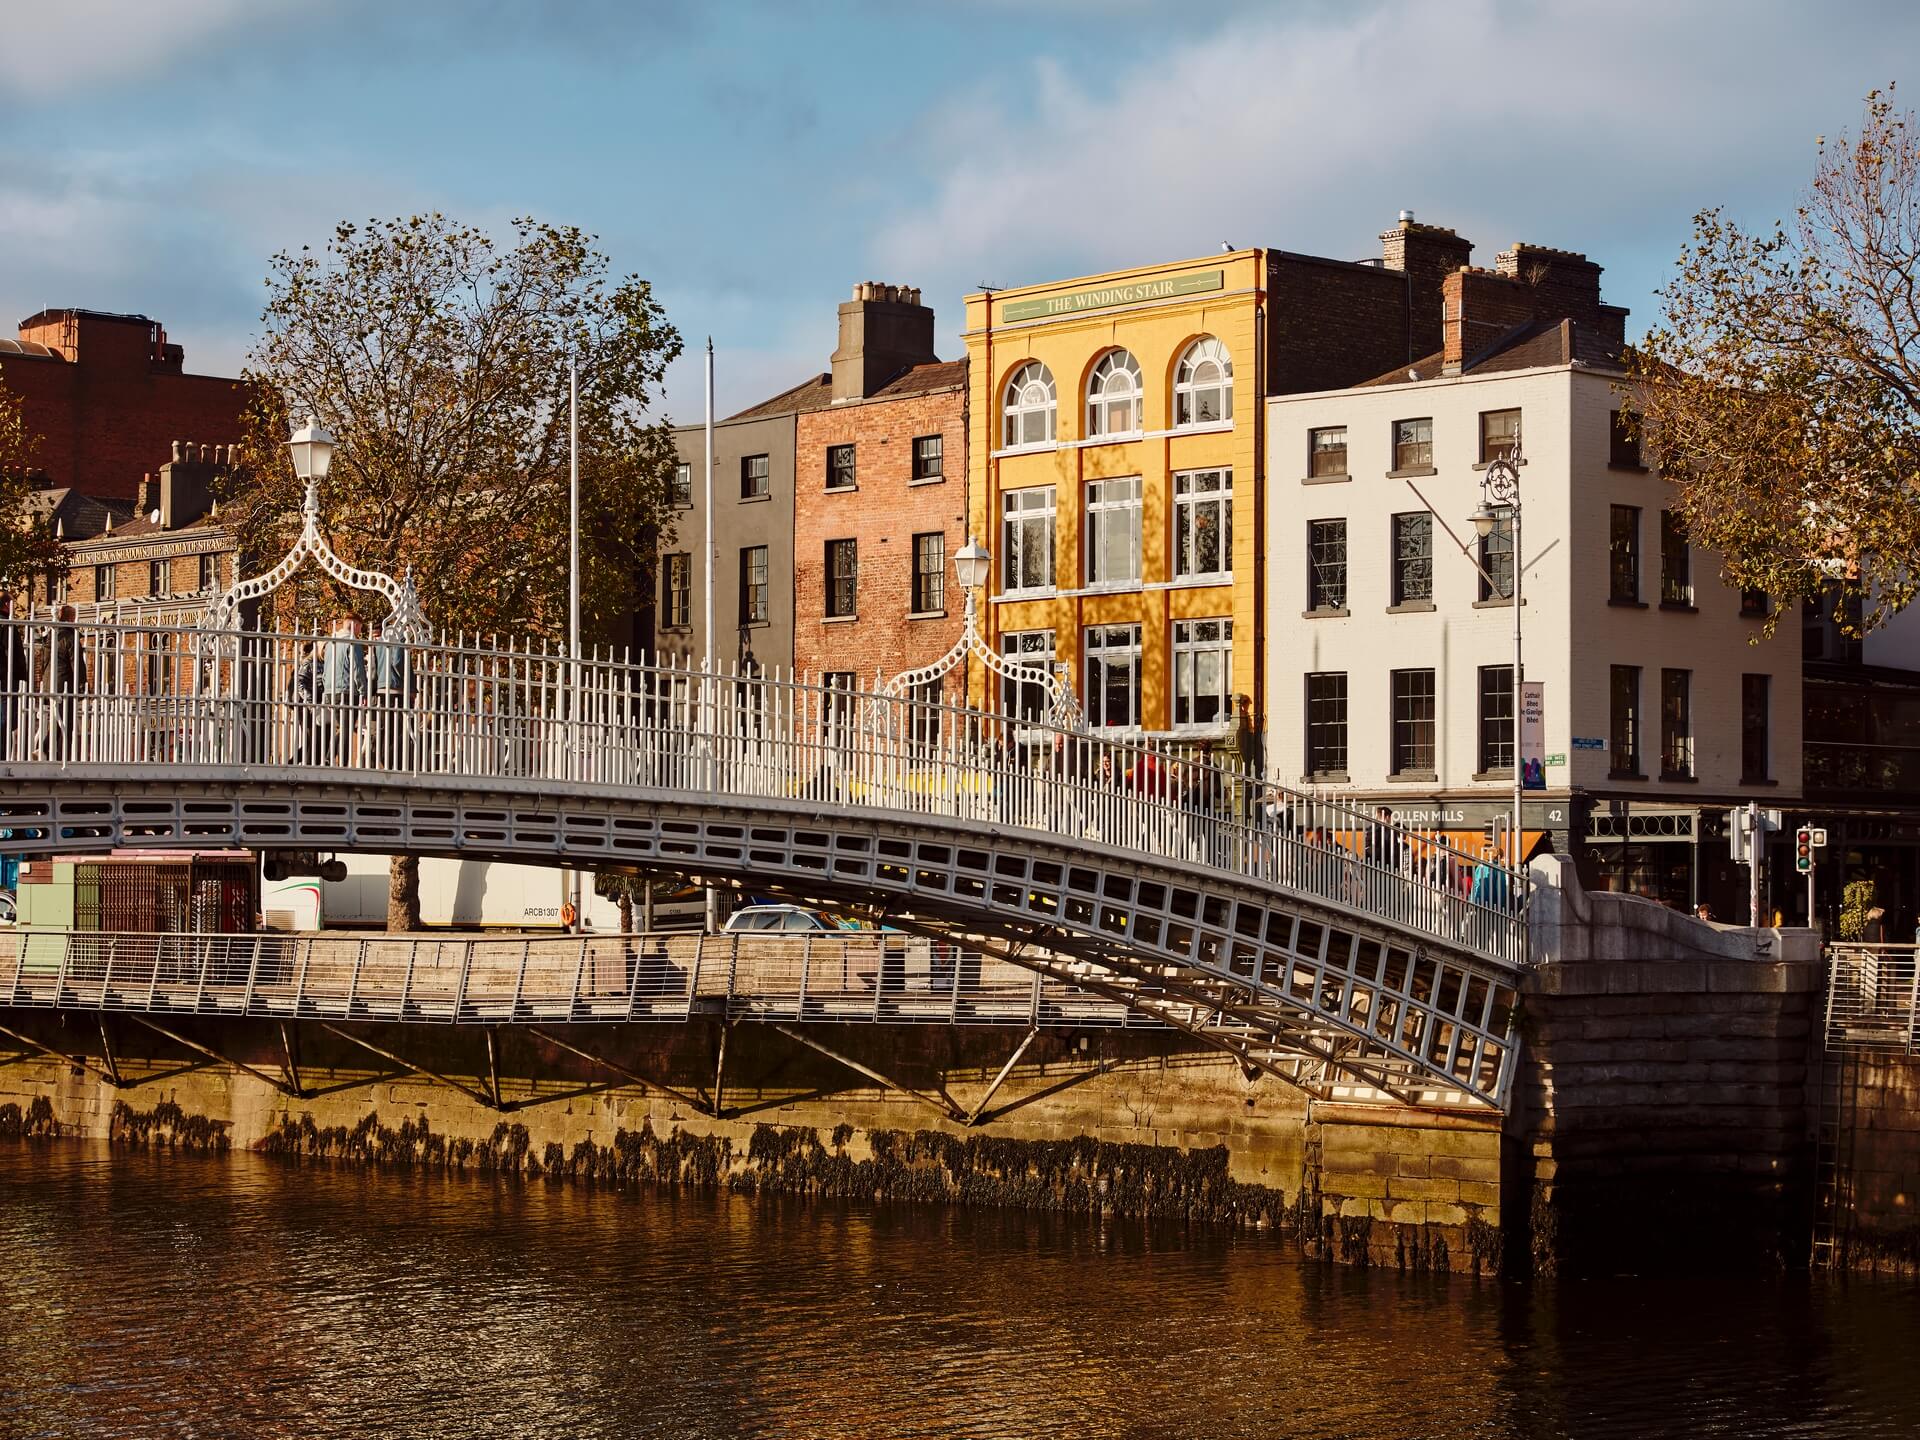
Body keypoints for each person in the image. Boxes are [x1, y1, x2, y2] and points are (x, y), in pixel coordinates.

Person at [0, 594, 25, 762]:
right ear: (7, 604)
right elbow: (11, 652)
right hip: (6, 677)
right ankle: (2, 756)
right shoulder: (7, 624)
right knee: (6, 719)